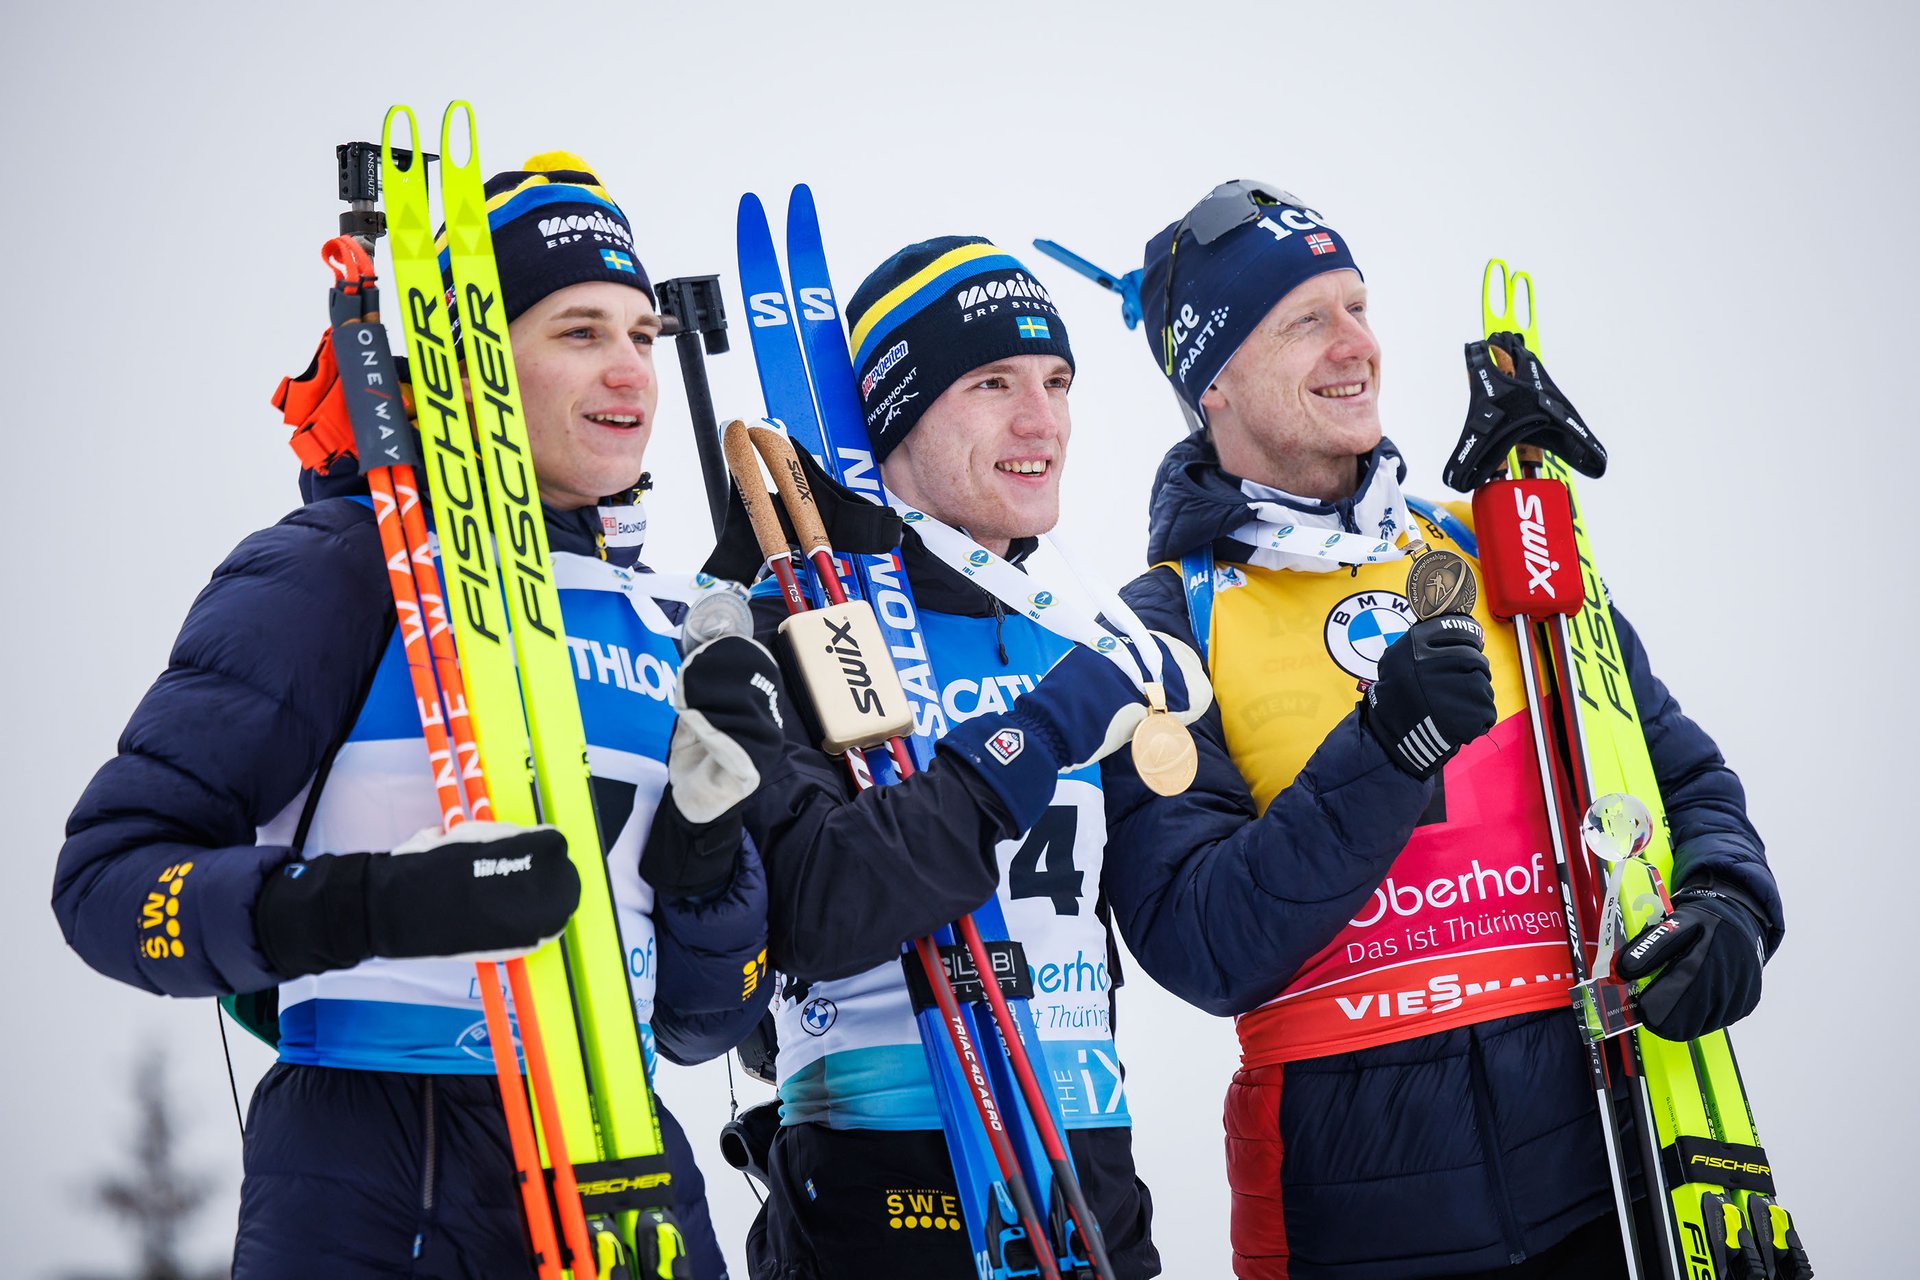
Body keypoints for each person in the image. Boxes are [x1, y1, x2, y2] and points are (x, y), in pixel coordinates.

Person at [51, 153, 783, 1280]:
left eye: (643, 334)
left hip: (628, 1175)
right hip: (379, 1168)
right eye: (580, 330)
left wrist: (706, 849)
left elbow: (699, 1025)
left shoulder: (667, 614)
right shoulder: (338, 569)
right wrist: (376, 904)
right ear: (471, 363)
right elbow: (106, 886)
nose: (630, 368)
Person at [1097, 181, 1784, 1280]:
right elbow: (1199, 936)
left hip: (1603, 1178)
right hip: (1354, 1222)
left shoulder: (1495, 545)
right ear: (1212, 379)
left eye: (1358, 306)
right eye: (1305, 320)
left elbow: (1681, 774)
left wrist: (1728, 907)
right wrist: (1387, 748)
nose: (1356, 345)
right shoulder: (1165, 624)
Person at [729, 236, 1207, 1280]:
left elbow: (1199, 930)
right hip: (877, 1190)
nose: (1042, 421)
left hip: (1084, 1175)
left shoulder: (1085, 631)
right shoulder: (803, 625)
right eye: (993, 382)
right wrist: (1031, 737)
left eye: (1057, 381)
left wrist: (1380, 744)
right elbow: (819, 910)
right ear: (895, 415)